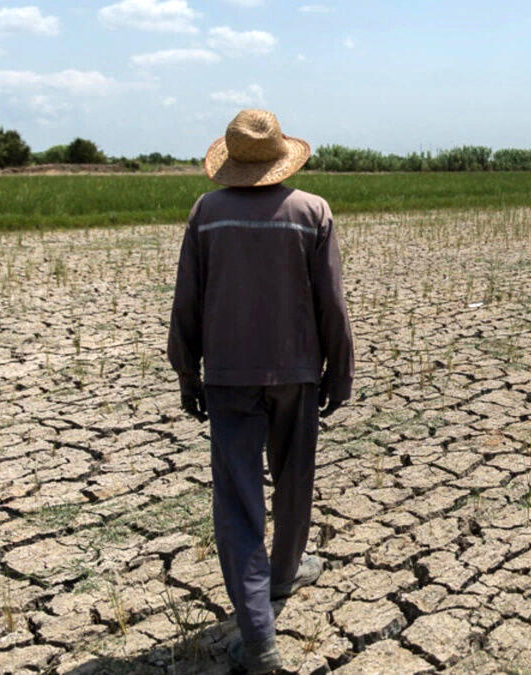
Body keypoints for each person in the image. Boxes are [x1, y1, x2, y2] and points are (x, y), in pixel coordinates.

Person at [167, 108, 355, 673]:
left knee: (239, 504)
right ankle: (282, 576)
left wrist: (186, 371)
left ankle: (259, 636)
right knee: (295, 479)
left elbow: (187, 302)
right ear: (279, 158)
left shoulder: (207, 214)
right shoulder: (311, 211)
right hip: (297, 373)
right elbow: (333, 304)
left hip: (227, 377)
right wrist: (339, 370)